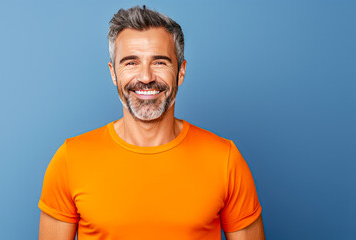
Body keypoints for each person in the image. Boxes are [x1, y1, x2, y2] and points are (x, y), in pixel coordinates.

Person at [38, 5, 265, 240]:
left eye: (159, 62)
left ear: (181, 71)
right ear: (113, 73)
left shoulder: (226, 160)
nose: (146, 77)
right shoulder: (70, 160)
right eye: (130, 63)